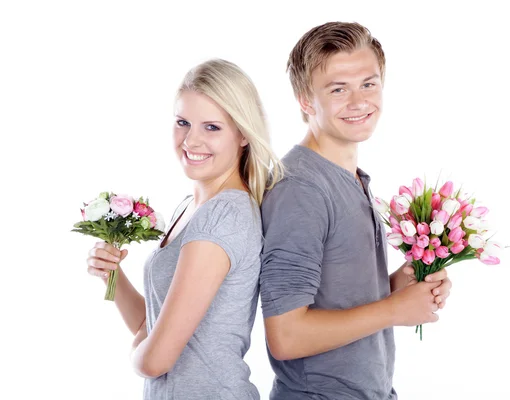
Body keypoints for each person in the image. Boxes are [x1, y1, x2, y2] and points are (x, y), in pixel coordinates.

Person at [259, 22, 452, 399]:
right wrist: (395, 310)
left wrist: (405, 282)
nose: (359, 102)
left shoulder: (349, 178)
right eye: (338, 89)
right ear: (305, 100)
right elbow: (286, 335)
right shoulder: (301, 189)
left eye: (369, 83)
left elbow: (340, 298)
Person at [85, 59, 283, 399]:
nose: (191, 140)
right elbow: (150, 325)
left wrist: (136, 358)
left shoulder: (223, 216)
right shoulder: (190, 208)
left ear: (244, 135)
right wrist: (112, 276)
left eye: (212, 127)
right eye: (183, 122)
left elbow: (155, 360)